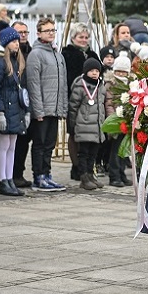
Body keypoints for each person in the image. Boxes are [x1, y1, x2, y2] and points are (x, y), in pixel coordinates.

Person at [25, 17, 68, 192]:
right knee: (40, 143)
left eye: (53, 30)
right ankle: (38, 176)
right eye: (47, 30)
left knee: (50, 143)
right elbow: (33, 84)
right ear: (39, 33)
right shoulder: (36, 54)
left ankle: (47, 174)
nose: (51, 33)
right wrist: (38, 110)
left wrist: (62, 107)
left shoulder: (58, 54)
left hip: (55, 108)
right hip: (42, 109)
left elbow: (63, 83)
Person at [0, 26, 28, 196]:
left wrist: (26, 111)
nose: (16, 44)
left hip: (16, 107)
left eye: (17, 41)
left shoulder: (16, 60)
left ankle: (10, 178)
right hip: (6, 108)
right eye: (13, 41)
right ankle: (2, 180)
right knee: (4, 144)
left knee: (12, 145)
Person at [61, 22, 99, 181]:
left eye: (86, 37)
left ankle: (88, 168)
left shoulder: (92, 55)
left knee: (89, 135)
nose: (84, 40)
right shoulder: (67, 54)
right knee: (74, 133)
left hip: (92, 101)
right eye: (80, 37)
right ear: (73, 38)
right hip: (75, 98)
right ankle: (76, 167)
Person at [67, 57, 107, 191]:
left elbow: (102, 107)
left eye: (97, 71)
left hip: (96, 127)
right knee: (83, 153)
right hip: (83, 126)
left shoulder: (101, 86)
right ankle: (83, 176)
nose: (95, 73)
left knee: (93, 154)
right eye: (91, 71)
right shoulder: (80, 85)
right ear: (85, 71)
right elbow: (73, 106)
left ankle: (91, 174)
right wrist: (71, 125)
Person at [10, 20, 34, 188]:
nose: (23, 35)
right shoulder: (10, 53)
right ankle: (10, 174)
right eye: (20, 32)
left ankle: (19, 172)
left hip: (29, 102)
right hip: (14, 103)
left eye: (25, 32)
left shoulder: (32, 52)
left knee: (25, 140)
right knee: (14, 142)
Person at [104, 52, 133, 187]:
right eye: (118, 71)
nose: (121, 74)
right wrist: (113, 119)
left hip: (127, 120)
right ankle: (114, 175)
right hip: (116, 120)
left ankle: (122, 173)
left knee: (124, 150)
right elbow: (109, 103)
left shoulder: (131, 84)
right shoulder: (111, 84)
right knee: (115, 150)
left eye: (123, 72)